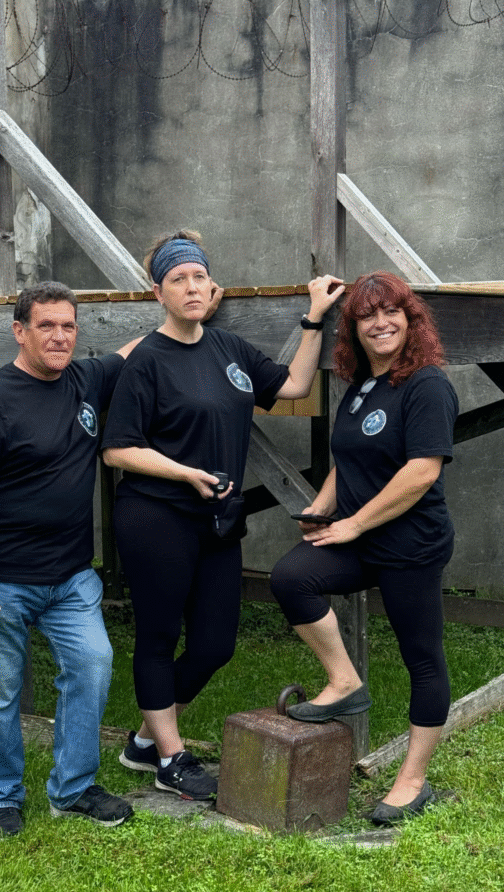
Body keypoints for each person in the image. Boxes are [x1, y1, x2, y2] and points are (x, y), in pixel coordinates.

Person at [101, 230, 344, 800]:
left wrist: (313, 318)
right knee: (160, 636)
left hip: (217, 521)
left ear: (211, 287)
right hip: (156, 516)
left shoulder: (229, 348)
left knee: (215, 645)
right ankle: (170, 758)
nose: (190, 287)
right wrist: (184, 472)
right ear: (158, 293)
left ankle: (145, 741)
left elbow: (293, 385)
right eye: (177, 279)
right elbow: (117, 449)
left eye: (198, 277)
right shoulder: (146, 360)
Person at [0, 281, 140, 837]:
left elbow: (134, 350)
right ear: (19, 331)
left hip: (69, 577)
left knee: (92, 665)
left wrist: (189, 303)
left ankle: (73, 789)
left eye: (68, 326)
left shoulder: (84, 379)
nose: (59, 337)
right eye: (46, 325)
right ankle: (0, 797)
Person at [269, 270, 459, 826]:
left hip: (410, 544)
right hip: (360, 536)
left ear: (410, 319)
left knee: (421, 656)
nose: (380, 323)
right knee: (291, 578)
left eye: (391, 312)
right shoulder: (360, 387)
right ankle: (345, 681)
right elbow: (346, 461)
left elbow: (422, 471)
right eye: (366, 315)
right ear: (352, 328)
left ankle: (413, 781)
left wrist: (352, 524)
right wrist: (321, 508)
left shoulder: (427, 385)